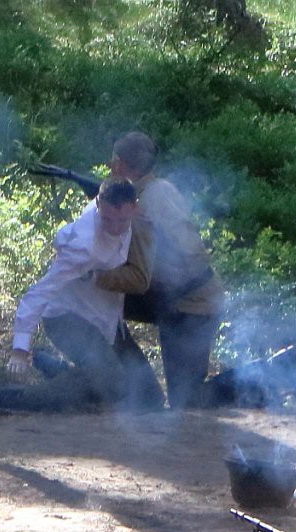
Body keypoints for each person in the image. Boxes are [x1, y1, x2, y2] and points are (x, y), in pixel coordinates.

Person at [0, 177, 142, 412]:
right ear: (98, 205)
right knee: (113, 381)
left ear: (134, 207)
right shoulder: (83, 246)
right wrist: (19, 348)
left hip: (98, 318)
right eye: (108, 219)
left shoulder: (134, 219)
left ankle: (54, 368)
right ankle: (9, 399)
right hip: (65, 318)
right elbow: (39, 293)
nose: (116, 227)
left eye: (123, 220)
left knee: (110, 386)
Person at [95, 131, 225, 410]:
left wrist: (95, 276)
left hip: (193, 306)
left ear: (120, 164)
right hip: (172, 297)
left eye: (114, 161)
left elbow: (143, 274)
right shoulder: (158, 190)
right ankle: (138, 385)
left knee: (188, 404)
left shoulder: (146, 203)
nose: (110, 166)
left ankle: (259, 378)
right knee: (96, 303)